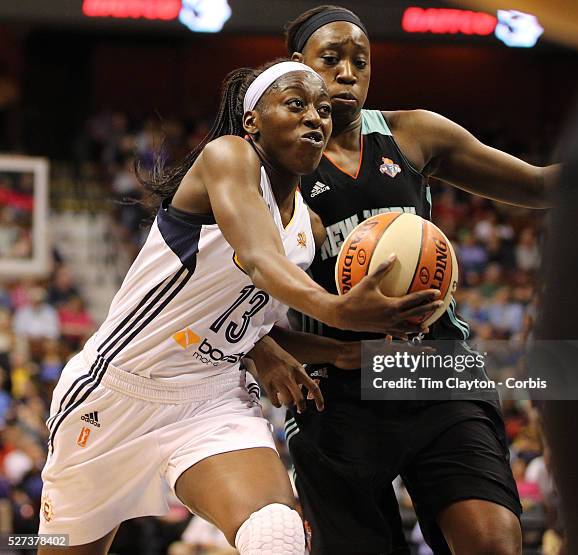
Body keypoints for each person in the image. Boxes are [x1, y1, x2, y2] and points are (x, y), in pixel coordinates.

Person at [37, 59, 441, 555]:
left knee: (277, 533)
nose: (316, 117)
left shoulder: (308, 231)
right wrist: (338, 310)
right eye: (296, 105)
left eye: (323, 111)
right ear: (252, 122)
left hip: (212, 398)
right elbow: (257, 259)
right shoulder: (227, 157)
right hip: (115, 394)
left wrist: (339, 353)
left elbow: (253, 330)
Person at [252, 6, 558, 555]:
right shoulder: (264, 164)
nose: (348, 72)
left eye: (361, 62)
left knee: (493, 542)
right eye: (331, 59)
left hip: (434, 367)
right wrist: (264, 348)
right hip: (334, 387)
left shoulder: (411, 133)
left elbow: (538, 187)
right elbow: (225, 295)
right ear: (296, 67)